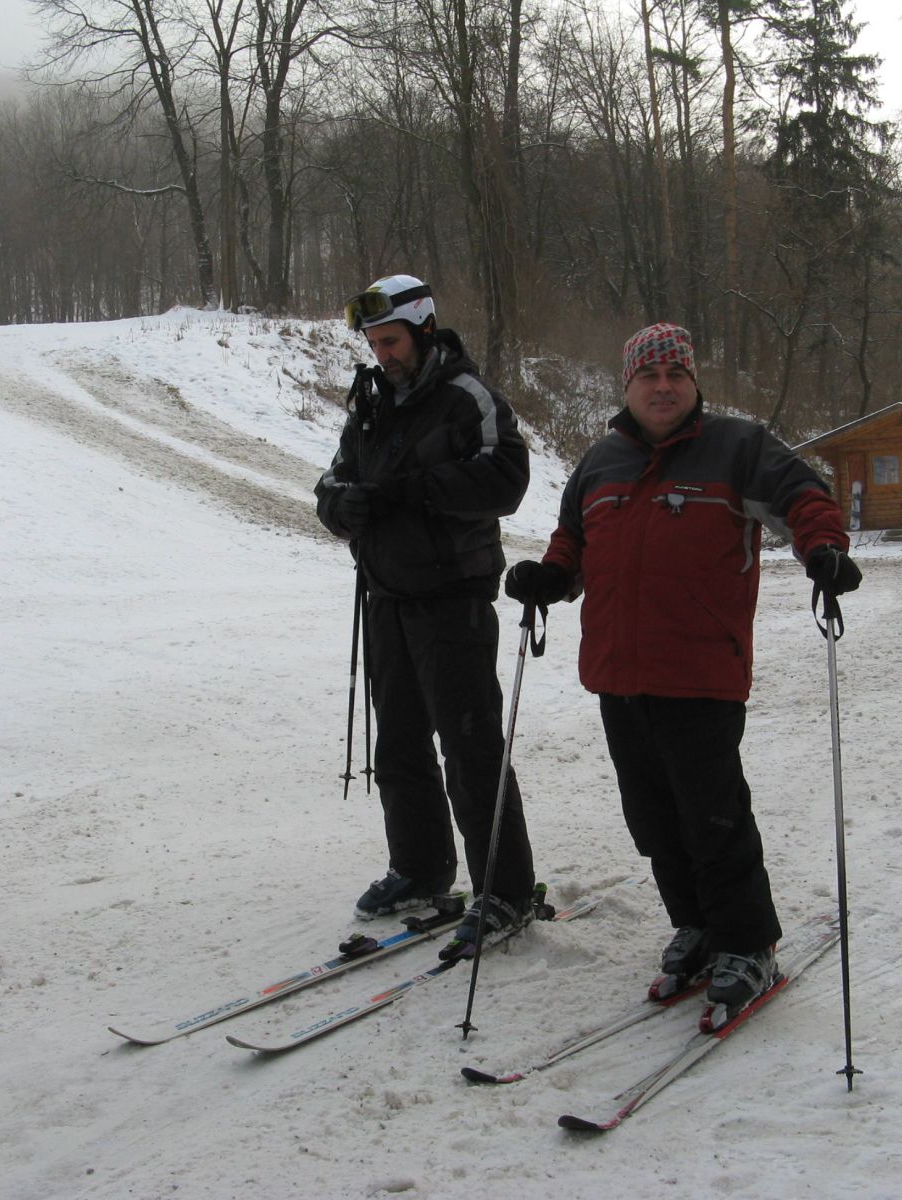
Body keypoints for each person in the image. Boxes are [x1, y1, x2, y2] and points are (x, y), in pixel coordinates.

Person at [504, 322, 862, 1012]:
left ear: (693, 383)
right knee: (653, 818)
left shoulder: (738, 448)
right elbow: (573, 539)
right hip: (617, 673)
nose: (663, 387)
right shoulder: (601, 462)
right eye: (649, 376)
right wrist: (550, 578)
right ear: (628, 386)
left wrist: (822, 549)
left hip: (701, 670)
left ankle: (748, 942)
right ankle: (696, 926)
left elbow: (805, 501)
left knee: (711, 816)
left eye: (676, 375)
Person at [314, 274, 537, 961]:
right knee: (400, 745)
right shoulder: (372, 407)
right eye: (374, 344)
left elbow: (508, 479)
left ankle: (504, 890)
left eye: (392, 340)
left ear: (424, 331)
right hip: (385, 598)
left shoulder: (467, 398)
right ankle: (420, 868)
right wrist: (341, 508)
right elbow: (330, 483)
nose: (383, 354)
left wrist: (414, 493)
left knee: (470, 747)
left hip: (453, 598)